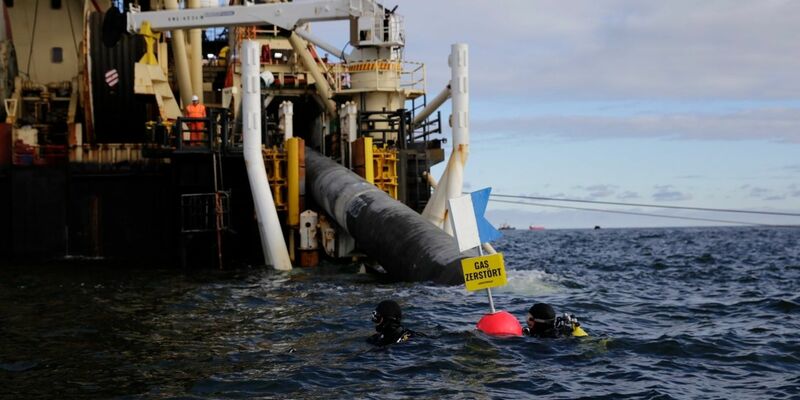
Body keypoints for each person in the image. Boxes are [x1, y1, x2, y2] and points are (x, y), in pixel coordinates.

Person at [523, 303, 588, 338]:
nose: (527, 321)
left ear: (538, 321)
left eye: (529, 318)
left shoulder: (542, 337)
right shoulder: (562, 329)